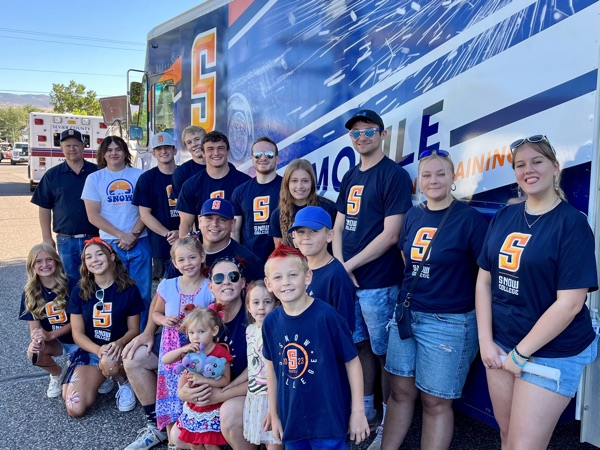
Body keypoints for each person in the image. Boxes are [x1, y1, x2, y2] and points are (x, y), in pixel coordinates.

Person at [476, 135, 599, 449]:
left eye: (537, 161)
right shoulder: (504, 217)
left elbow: (570, 304)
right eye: (520, 165)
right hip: (502, 342)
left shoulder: (572, 224)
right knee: (506, 436)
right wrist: (485, 341)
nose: (528, 170)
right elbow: (484, 281)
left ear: (555, 167)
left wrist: (520, 354)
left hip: (552, 351)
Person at [382, 150, 487, 449]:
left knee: (435, 402)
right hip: (407, 315)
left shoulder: (470, 220)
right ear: (419, 180)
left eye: (441, 174)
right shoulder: (413, 215)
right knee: (400, 392)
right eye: (427, 175)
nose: (434, 180)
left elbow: (485, 275)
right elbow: (407, 261)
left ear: (453, 177)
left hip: (449, 322)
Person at [333, 109, 413, 447]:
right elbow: (338, 226)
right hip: (351, 281)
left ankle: (388, 420)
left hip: (380, 283)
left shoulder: (394, 175)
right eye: (356, 133)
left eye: (369, 131)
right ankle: (365, 410)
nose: (362, 137)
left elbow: (391, 235)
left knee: (384, 354)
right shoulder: (351, 175)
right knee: (359, 346)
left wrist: (347, 267)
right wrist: (340, 265)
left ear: (382, 134)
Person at [262, 244, 369, 448]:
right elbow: (272, 368)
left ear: (308, 277)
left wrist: (358, 411)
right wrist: (273, 412)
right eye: (278, 277)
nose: (286, 282)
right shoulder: (270, 322)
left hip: (328, 420)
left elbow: (353, 362)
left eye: (293, 275)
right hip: (292, 421)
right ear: (268, 283)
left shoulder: (328, 317)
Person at [177, 257, 253, 449]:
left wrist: (220, 395)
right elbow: (187, 364)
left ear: (242, 283)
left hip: (242, 392)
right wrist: (183, 392)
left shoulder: (254, 316)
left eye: (233, 276)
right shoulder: (201, 320)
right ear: (210, 286)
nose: (226, 282)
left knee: (230, 413)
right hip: (209, 392)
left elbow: (264, 375)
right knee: (178, 438)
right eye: (219, 278)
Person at [65, 237, 144, 417]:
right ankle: (103, 374)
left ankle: (123, 382)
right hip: (93, 352)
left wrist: (120, 342)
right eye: (89, 257)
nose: (95, 260)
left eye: (99, 254)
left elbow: (134, 330)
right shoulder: (79, 290)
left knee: (109, 361)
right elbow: (77, 334)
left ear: (111, 257)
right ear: (85, 264)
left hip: (120, 351)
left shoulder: (129, 289)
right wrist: (98, 350)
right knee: (74, 407)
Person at [81, 136, 152, 329]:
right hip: (110, 245)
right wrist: (122, 235)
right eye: (109, 150)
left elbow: (147, 210)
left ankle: (141, 336)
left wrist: (133, 235)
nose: (114, 153)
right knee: (114, 293)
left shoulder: (140, 175)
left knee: (143, 293)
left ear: (125, 152)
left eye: (118, 149)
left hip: (140, 241)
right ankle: (118, 334)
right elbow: (93, 216)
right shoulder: (94, 179)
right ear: (103, 154)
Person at [152, 237, 212, 445]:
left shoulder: (209, 287)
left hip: (198, 349)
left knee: (192, 386)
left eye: (192, 257)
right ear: (175, 263)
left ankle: (196, 436)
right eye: (182, 260)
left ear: (202, 257)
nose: (188, 263)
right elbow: (156, 313)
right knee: (170, 392)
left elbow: (215, 318)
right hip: (171, 346)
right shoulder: (168, 285)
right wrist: (164, 320)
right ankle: (173, 441)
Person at [30, 129, 98, 281]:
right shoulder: (52, 175)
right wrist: (47, 238)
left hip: (95, 237)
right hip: (66, 241)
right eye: (68, 146)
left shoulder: (96, 172)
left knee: (97, 279)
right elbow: (44, 207)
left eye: (76, 145)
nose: (72, 149)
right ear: (61, 148)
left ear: (83, 147)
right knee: (71, 282)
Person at [164, 307, 233, 450]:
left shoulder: (220, 352)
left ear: (214, 331)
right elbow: (165, 360)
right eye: (191, 332)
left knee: (210, 443)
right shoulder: (190, 350)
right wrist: (182, 350)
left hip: (211, 404)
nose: (195, 337)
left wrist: (204, 380)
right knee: (194, 443)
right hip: (193, 406)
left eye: (201, 332)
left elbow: (226, 380)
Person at [19, 243, 78, 398]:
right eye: (38, 261)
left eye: (49, 259)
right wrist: (37, 339)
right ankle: (57, 373)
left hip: (79, 339)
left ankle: (89, 367)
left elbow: (79, 322)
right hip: (56, 343)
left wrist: (51, 334)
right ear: (32, 266)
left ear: (57, 261)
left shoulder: (72, 284)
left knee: (79, 389)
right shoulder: (30, 292)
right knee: (33, 352)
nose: (44, 264)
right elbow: (34, 328)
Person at [164, 198, 265, 282]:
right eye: (209, 218)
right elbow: (165, 292)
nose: (214, 224)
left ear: (232, 224)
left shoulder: (248, 260)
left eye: (222, 219)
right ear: (200, 221)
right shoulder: (185, 254)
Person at [288, 206, 355, 329]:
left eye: (313, 231)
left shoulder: (337, 275)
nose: (306, 237)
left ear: (329, 235)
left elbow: (346, 327)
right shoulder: (295, 269)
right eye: (300, 231)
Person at [177, 131, 251, 236]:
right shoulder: (191, 185)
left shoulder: (245, 182)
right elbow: (186, 225)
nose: (216, 153)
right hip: (204, 245)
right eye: (210, 149)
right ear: (203, 153)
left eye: (220, 148)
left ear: (228, 151)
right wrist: (183, 246)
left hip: (238, 245)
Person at [237, 280, 283, 449]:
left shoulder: (277, 331)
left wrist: (274, 408)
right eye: (256, 302)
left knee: (274, 441)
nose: (261, 307)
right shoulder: (250, 330)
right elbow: (252, 364)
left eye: (267, 302)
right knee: (263, 438)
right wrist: (232, 385)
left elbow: (278, 370)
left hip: (272, 394)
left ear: (276, 304)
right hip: (255, 395)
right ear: (248, 307)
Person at [132, 132, 180, 280]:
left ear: (174, 150)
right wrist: (168, 234)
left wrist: (182, 232)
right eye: (159, 149)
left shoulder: (185, 174)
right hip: (161, 244)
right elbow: (145, 215)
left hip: (187, 240)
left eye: (167, 147)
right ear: (153, 153)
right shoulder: (147, 179)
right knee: (165, 286)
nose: (163, 151)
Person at [231, 137, 283, 262]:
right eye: (258, 154)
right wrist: (237, 260)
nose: (263, 158)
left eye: (269, 154)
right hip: (250, 262)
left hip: (280, 260)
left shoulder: (287, 188)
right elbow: (235, 231)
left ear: (277, 159)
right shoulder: (240, 191)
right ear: (252, 159)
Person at [269, 159, 337, 247]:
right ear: (287, 183)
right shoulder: (277, 214)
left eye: (305, 181)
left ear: (312, 183)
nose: (299, 186)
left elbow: (336, 243)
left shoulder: (328, 209)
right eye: (294, 181)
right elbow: (280, 251)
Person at [171, 126, 207, 201]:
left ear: (206, 140)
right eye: (189, 142)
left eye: (197, 139)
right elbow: (179, 204)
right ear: (186, 146)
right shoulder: (180, 173)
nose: (194, 144)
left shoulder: (223, 167)